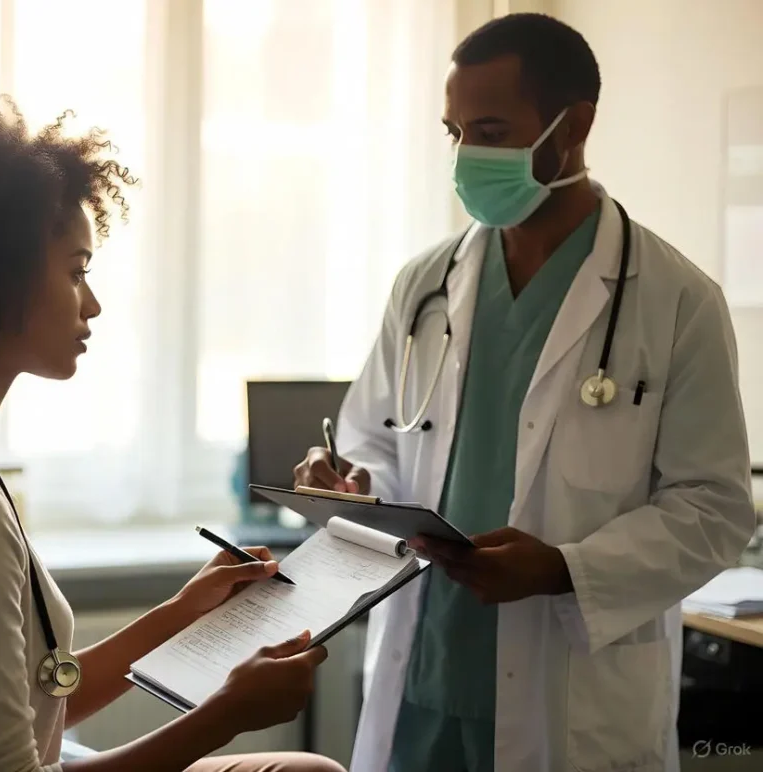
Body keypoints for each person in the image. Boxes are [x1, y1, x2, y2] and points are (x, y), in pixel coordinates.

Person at [0, 99, 346, 772]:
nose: (92, 302)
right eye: (76, 270)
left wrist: (179, 612)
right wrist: (224, 716)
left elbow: (41, 693)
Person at [294, 13, 755, 772]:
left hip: (571, 696)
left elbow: (714, 509)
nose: (469, 155)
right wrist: (350, 479)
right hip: (425, 675)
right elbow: (373, 435)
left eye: (492, 129)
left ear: (574, 125)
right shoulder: (425, 285)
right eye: (456, 132)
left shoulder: (676, 301)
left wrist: (563, 568)